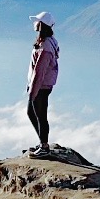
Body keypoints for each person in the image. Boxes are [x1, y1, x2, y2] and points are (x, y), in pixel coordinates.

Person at [25, 11, 60, 157]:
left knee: (40, 115)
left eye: (37, 22)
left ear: (42, 25)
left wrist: (33, 91)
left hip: (41, 86)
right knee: (33, 113)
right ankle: (42, 144)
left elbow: (39, 71)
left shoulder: (45, 46)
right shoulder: (47, 40)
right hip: (43, 85)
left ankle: (44, 147)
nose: (35, 24)